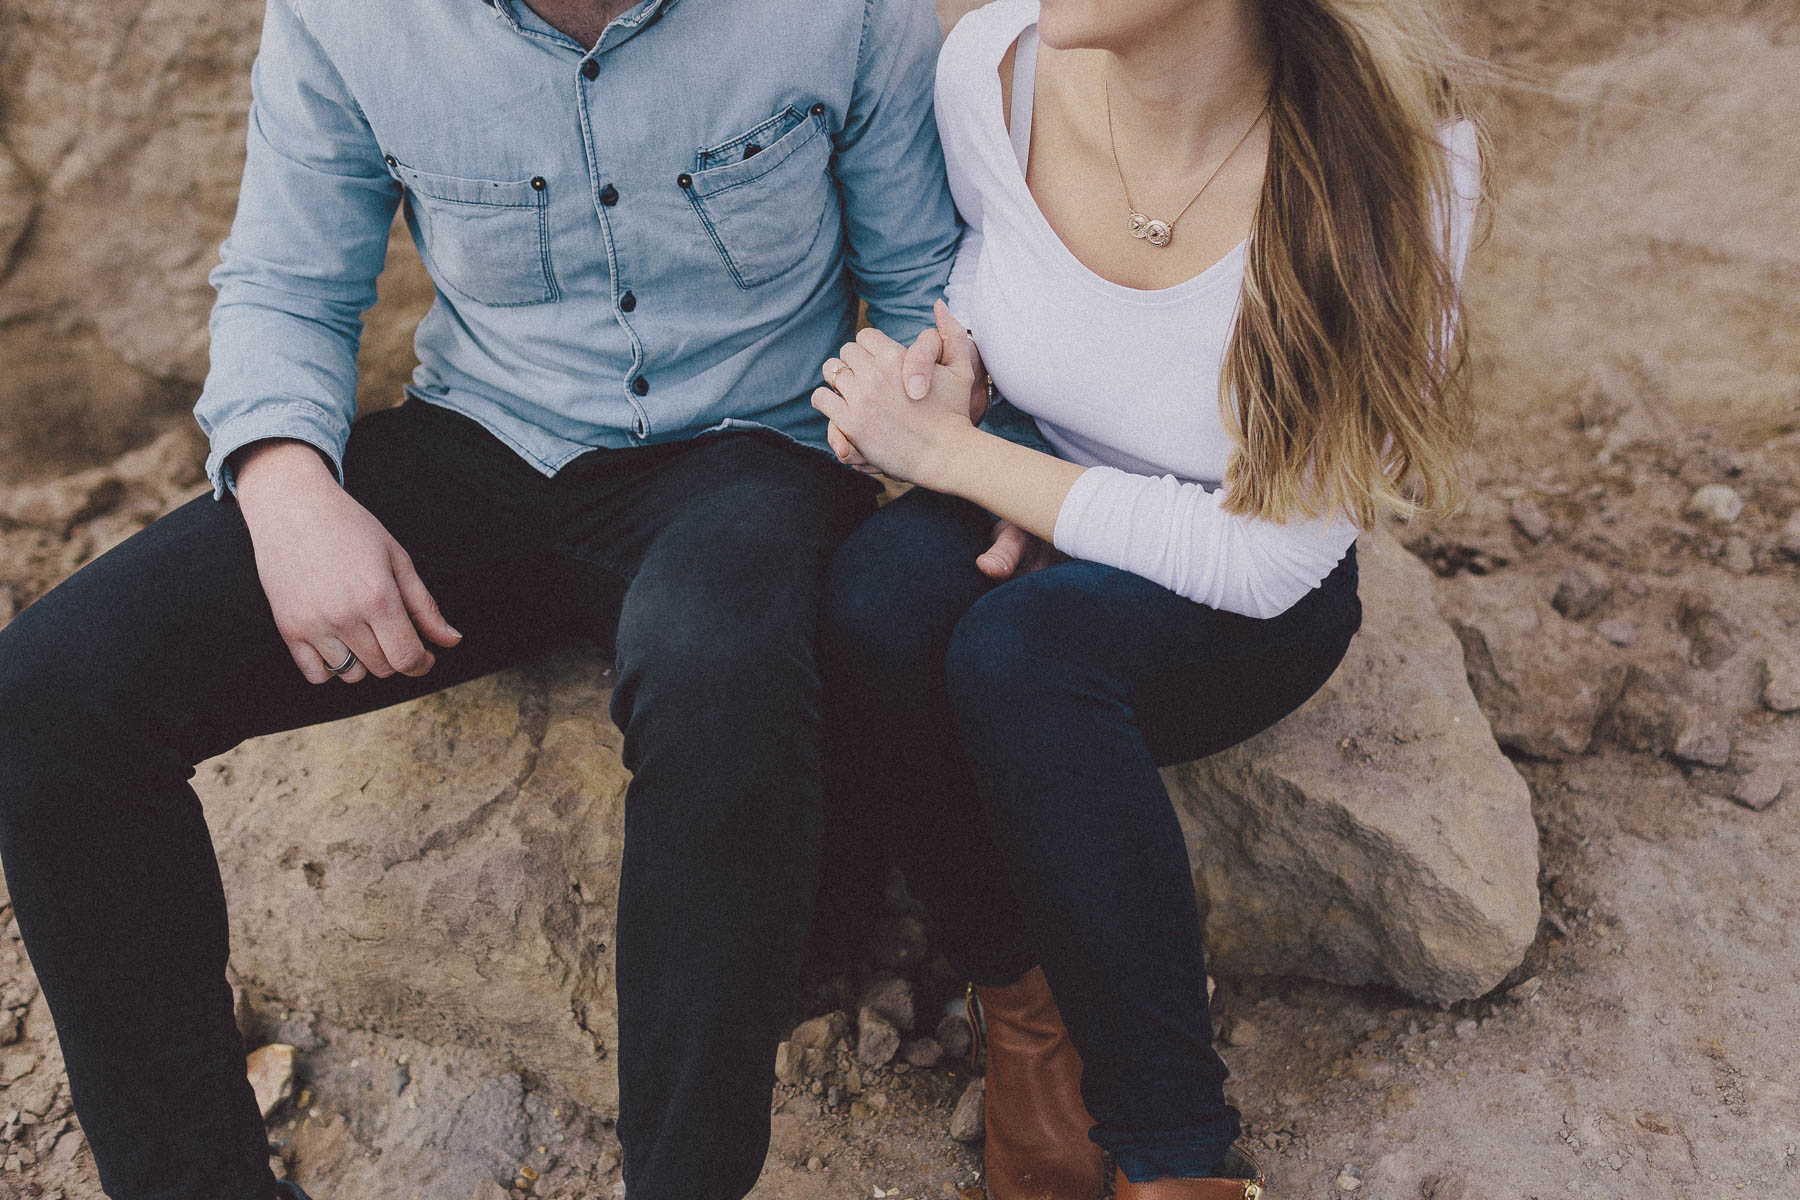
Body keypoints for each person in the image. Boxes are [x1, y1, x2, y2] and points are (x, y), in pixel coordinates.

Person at [0, 1, 962, 1198]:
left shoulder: (847, 10)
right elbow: (287, 287)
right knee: (47, 696)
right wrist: (286, 481)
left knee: (720, 671)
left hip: (745, 451)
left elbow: (925, 281)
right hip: (481, 442)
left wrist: (950, 446)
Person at [815, 0, 1485, 1195]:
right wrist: (952, 385)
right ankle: (1024, 1011)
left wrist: (965, 462)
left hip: (1240, 589)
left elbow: (1270, 557)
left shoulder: (1399, 159)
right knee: (877, 598)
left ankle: (1176, 1153)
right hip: (1033, 493)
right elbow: (982, 284)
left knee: (1025, 659)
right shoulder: (992, 74)